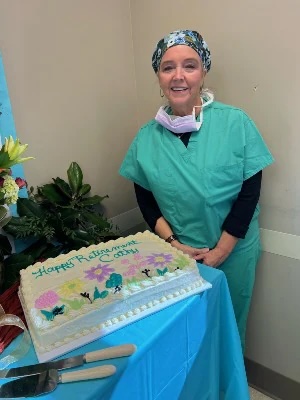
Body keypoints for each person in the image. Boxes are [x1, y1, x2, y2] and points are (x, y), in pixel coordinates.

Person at [119, 29, 274, 352]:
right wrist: (174, 243)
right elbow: (145, 200)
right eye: (167, 67)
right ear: (159, 77)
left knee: (228, 333)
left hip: (233, 254)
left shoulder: (236, 123)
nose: (178, 76)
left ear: (203, 73)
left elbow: (250, 193)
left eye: (189, 65)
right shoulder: (146, 138)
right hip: (179, 257)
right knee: (187, 338)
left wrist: (222, 250)